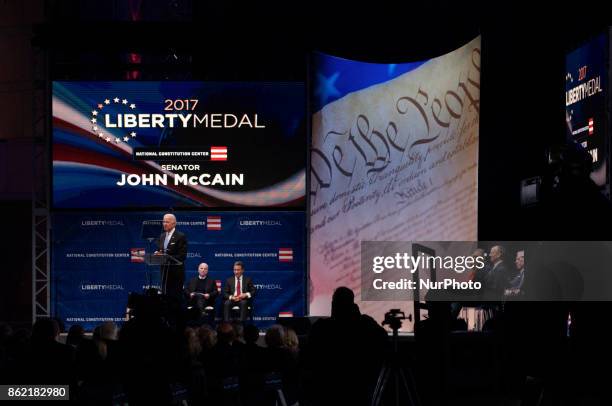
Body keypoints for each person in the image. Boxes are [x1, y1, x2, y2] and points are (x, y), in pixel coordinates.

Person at [154, 213, 187, 297]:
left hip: (176, 274)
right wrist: (158, 254)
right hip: (164, 273)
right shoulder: (162, 236)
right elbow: (160, 250)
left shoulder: (180, 236)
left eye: (167, 222)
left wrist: (166, 257)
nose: (164, 224)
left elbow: (182, 256)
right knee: (164, 298)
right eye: (163, 222)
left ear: (174, 223)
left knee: (174, 299)